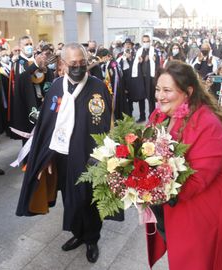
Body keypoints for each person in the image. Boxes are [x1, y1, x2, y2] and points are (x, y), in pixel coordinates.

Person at [16, 42, 112, 263]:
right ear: (63, 64)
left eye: (82, 63)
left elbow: (108, 124)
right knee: (70, 198)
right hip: (62, 156)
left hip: (90, 156)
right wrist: (46, 155)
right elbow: (46, 124)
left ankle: (91, 239)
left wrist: (102, 154)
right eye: (73, 64)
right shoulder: (57, 86)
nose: (78, 67)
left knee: (89, 198)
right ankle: (78, 234)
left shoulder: (98, 86)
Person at [146, 60, 222, 269]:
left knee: (197, 260)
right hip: (173, 202)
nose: (160, 96)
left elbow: (197, 179)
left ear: (187, 92)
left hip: (203, 205)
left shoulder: (207, 123)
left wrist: (152, 185)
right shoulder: (160, 114)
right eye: (158, 89)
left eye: (167, 90)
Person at [9, 35, 47, 142]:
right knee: (29, 136)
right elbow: (21, 79)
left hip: (41, 100)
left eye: (30, 44)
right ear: (20, 47)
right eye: (26, 44)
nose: (29, 46)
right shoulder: (18, 63)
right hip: (28, 103)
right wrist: (35, 65)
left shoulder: (37, 58)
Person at [129, 34, 160, 121]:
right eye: (144, 41)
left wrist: (153, 59)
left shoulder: (154, 51)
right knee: (141, 97)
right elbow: (135, 63)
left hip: (150, 78)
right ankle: (142, 116)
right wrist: (140, 60)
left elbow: (158, 63)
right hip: (140, 77)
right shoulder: (139, 51)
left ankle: (152, 117)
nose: (146, 43)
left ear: (150, 42)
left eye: (147, 41)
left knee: (150, 98)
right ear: (142, 42)